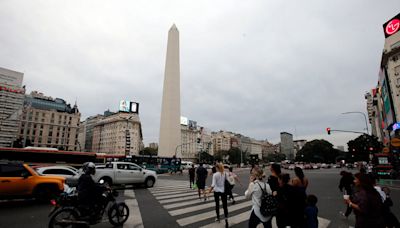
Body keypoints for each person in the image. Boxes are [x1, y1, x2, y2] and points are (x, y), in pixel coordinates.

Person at [208, 163, 229, 227]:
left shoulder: (215, 175)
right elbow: (227, 181)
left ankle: (218, 217)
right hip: (224, 191)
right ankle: (226, 220)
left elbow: (213, 184)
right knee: (225, 206)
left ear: (217, 168)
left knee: (217, 204)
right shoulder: (225, 173)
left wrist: (209, 191)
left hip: (216, 191)